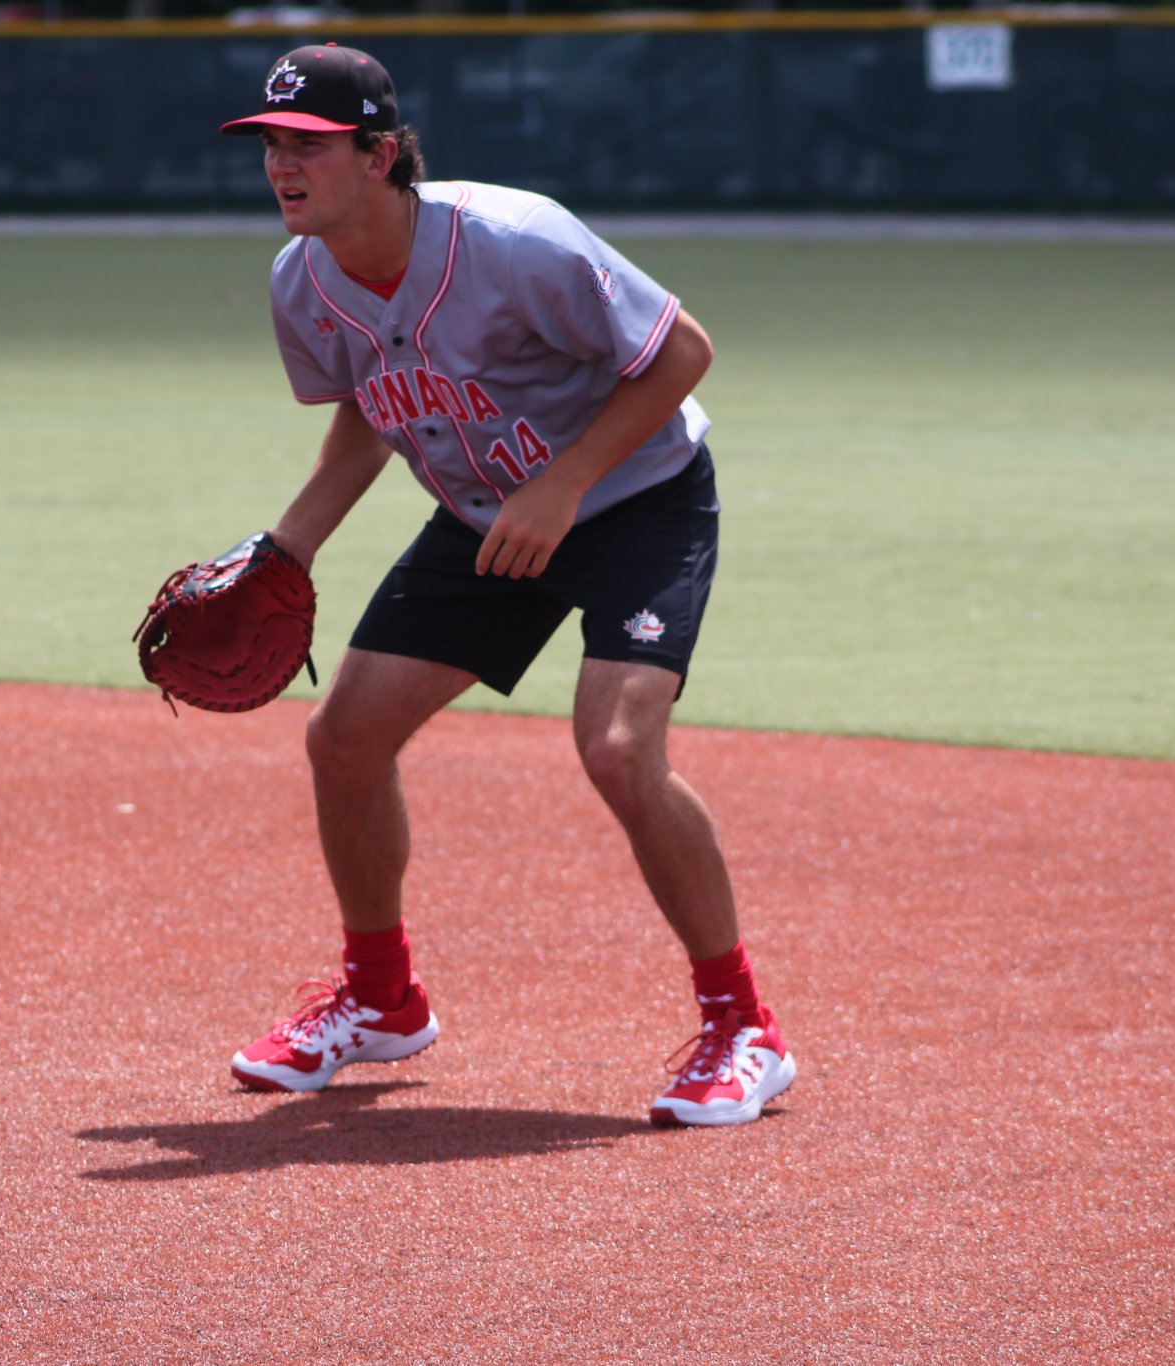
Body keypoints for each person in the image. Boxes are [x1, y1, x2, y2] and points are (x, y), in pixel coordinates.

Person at [215, 43, 794, 1125]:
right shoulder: (301, 281)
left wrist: (564, 484)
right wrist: (288, 546)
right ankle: (381, 1000)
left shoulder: (516, 241)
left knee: (617, 749)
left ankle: (742, 1028)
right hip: (489, 519)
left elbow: (680, 352)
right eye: (271, 145)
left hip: (638, 499)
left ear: (379, 155)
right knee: (343, 739)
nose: (282, 165)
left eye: (310, 145)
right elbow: (370, 413)